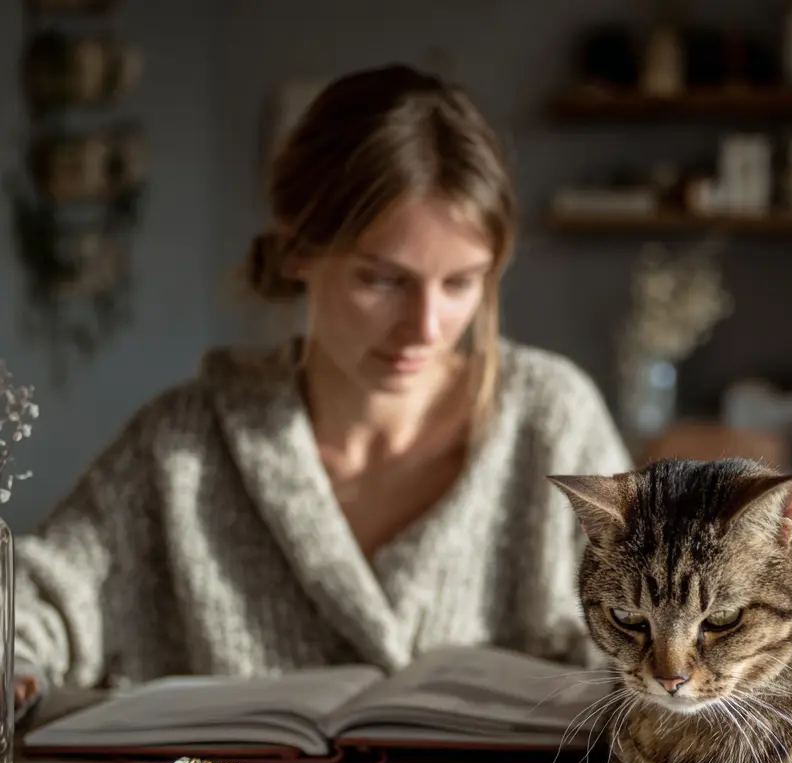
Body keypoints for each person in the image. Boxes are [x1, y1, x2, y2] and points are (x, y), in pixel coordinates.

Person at [13, 64, 632, 716]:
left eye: (460, 284)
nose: (426, 327)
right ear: (296, 249)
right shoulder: (183, 447)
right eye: (383, 281)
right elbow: (36, 598)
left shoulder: (552, 420)